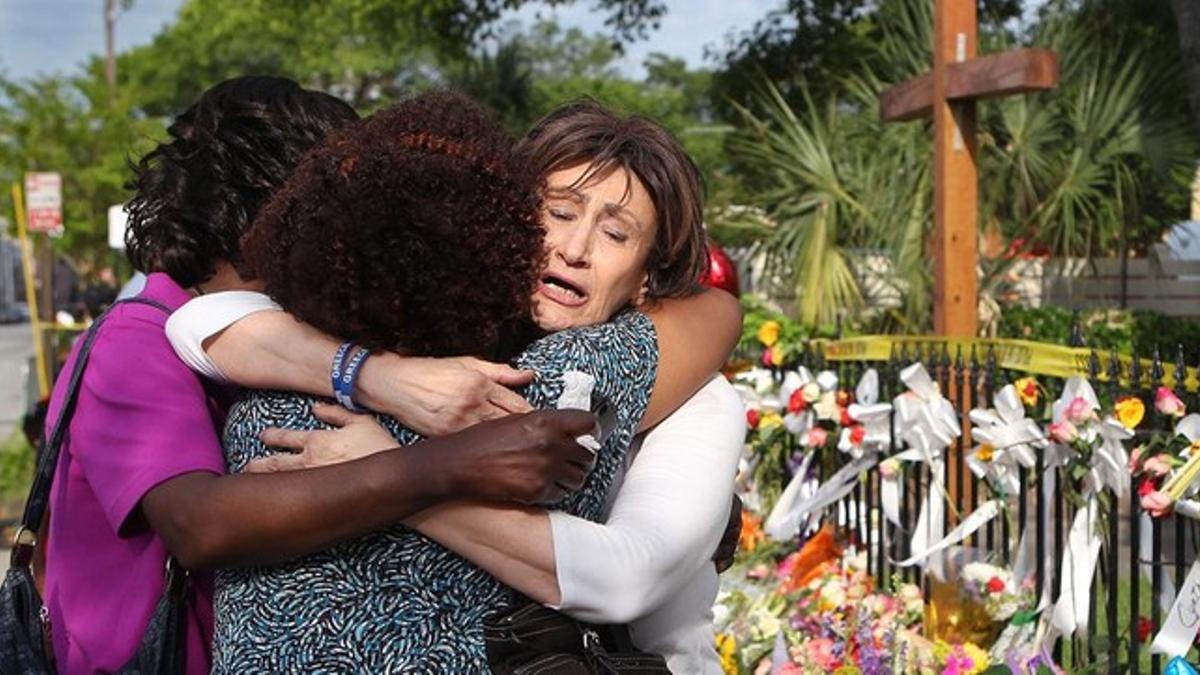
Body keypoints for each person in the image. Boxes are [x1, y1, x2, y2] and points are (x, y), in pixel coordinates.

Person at [40, 77, 597, 675]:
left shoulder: (300, 329)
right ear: (270, 203)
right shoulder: (138, 340)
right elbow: (200, 524)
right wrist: (447, 467)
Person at [167, 99, 744, 672]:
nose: (575, 250)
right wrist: (381, 379)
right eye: (560, 213)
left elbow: (625, 578)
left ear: (647, 277)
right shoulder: (408, 340)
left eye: (615, 234)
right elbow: (201, 321)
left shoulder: (688, 395)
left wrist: (392, 473)